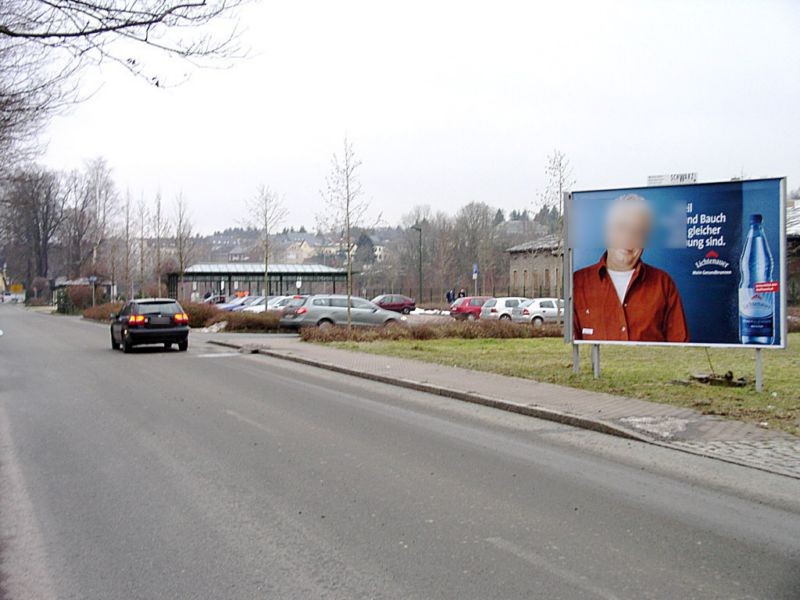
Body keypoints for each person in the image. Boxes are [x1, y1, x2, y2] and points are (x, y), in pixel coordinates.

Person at [573, 194, 689, 343]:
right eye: (621, 227)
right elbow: (571, 352)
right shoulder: (578, 283)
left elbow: (681, 347)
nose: (628, 237)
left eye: (638, 232)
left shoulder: (663, 284)